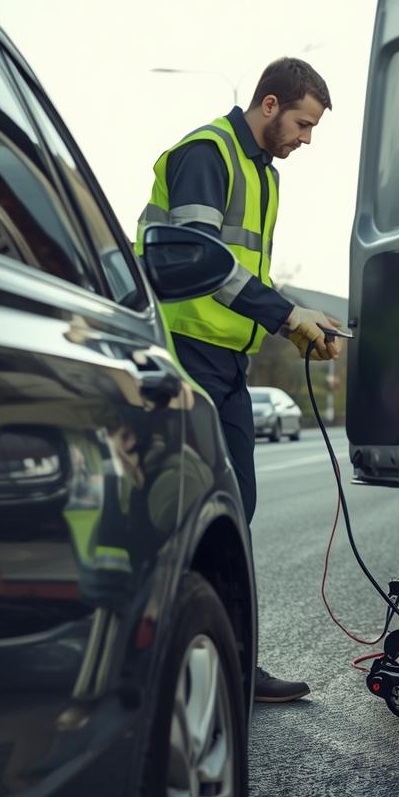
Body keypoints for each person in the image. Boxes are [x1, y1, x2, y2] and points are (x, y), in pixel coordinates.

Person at [136, 57, 341, 703]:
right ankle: (166, 661)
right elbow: (196, 260)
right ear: (270, 104)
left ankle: (235, 663)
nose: (306, 139)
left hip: (227, 362)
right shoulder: (208, 153)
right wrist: (284, 314)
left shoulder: (262, 174)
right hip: (182, 353)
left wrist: (293, 323)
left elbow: (242, 272)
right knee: (190, 516)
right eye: (304, 124)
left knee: (235, 509)